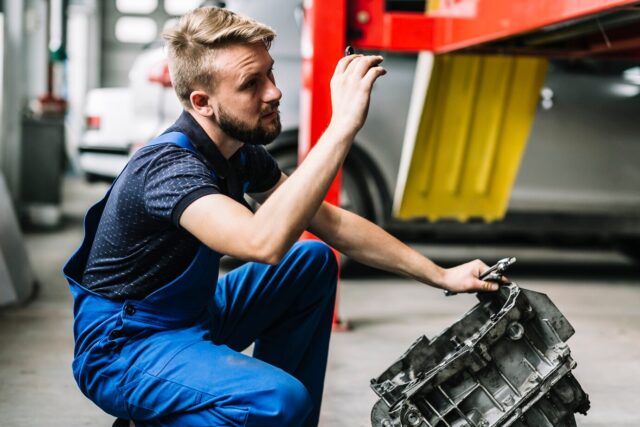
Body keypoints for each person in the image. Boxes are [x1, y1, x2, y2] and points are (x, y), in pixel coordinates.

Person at [64, 6, 499, 427]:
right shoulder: (169, 168)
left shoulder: (238, 153)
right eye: (251, 83)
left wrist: (441, 275)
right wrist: (341, 125)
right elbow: (261, 244)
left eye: (269, 72)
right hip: (124, 347)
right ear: (203, 102)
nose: (273, 91)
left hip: (190, 315)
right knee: (279, 401)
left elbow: (332, 222)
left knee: (311, 261)